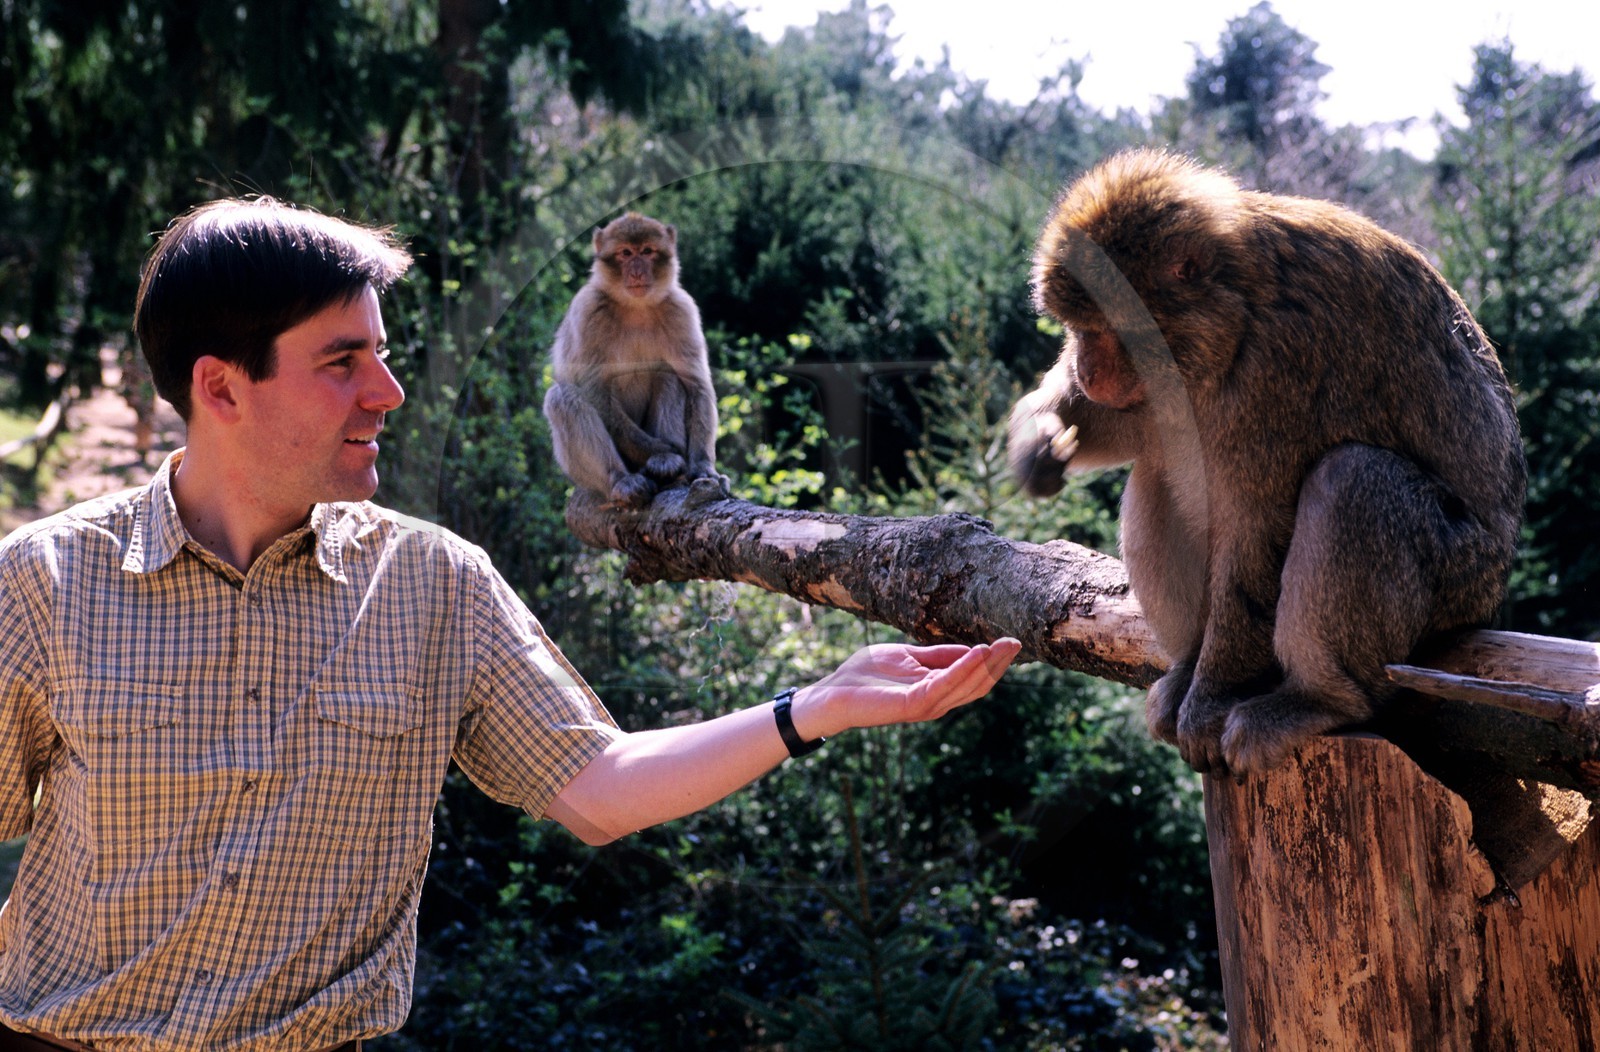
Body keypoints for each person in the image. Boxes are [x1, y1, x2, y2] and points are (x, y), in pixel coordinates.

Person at [0, 197, 1021, 1052]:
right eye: (342, 362)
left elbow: (601, 786)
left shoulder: (434, 583)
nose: (389, 392)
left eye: (384, 356)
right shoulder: (42, 581)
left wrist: (818, 704)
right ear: (220, 385)